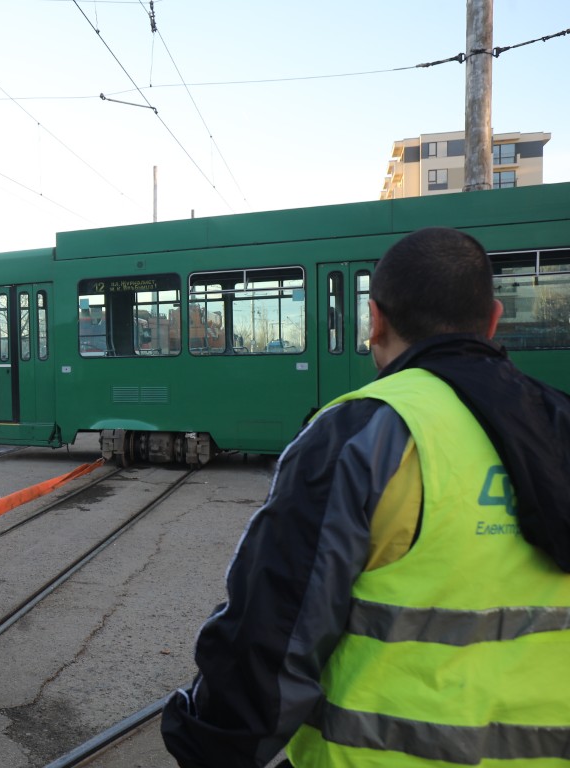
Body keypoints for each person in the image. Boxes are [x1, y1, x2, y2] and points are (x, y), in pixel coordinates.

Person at [161, 227, 570, 768]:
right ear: (493, 320)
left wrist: (209, 744)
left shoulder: (364, 434)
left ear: (374, 320)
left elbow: (271, 631)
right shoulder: (559, 421)